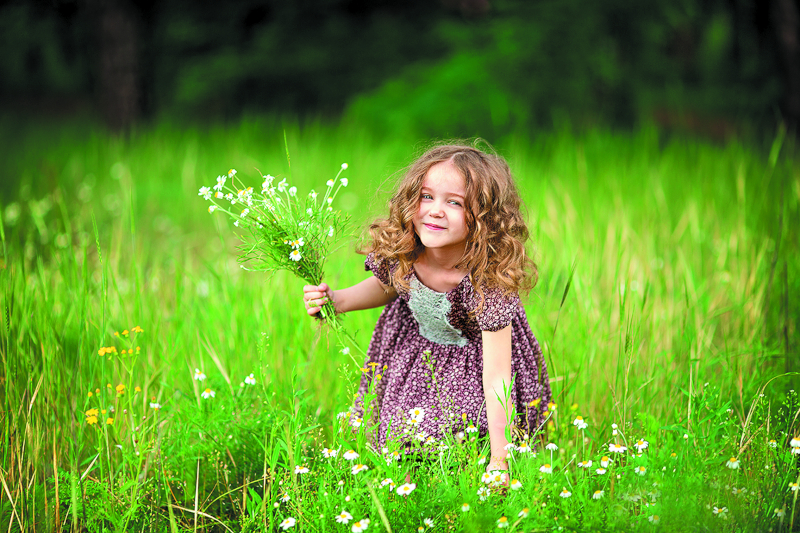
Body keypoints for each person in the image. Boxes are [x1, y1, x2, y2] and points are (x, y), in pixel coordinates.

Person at [303, 142, 551, 472]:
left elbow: (497, 380)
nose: (435, 210)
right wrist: (337, 301)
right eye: (427, 196)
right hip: (414, 356)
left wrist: (499, 460)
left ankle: (483, 467)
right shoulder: (408, 251)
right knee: (400, 439)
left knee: (462, 444)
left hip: (476, 368)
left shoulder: (487, 283)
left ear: (484, 220)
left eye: (455, 203)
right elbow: (388, 285)